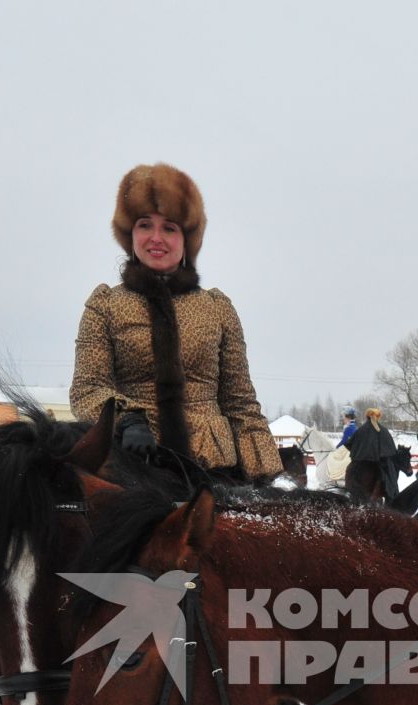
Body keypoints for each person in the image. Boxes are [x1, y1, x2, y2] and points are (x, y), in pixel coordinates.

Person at [69, 162, 284, 483]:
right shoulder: (105, 305)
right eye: (145, 225)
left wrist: (264, 474)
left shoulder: (216, 307)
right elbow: (87, 389)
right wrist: (128, 419)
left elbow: (240, 403)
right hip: (134, 469)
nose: (156, 238)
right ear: (130, 234)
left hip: (214, 472)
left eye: (169, 227)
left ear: (187, 238)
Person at [345, 406, 406, 500]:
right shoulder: (383, 430)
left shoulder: (360, 430)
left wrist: (359, 453)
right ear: (378, 417)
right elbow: (391, 451)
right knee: (391, 475)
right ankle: (392, 497)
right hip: (377, 463)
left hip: (358, 461)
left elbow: (348, 444)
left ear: (367, 417)